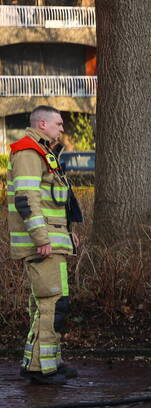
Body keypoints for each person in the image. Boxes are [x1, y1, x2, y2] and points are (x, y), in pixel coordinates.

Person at [7, 105, 81, 385]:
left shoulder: (42, 152)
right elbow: (26, 198)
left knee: (53, 303)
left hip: (52, 242)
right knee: (52, 304)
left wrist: (67, 232)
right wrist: (41, 238)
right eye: (58, 124)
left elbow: (53, 201)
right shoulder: (28, 152)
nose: (62, 128)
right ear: (42, 124)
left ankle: (49, 361)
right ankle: (40, 368)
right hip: (43, 245)